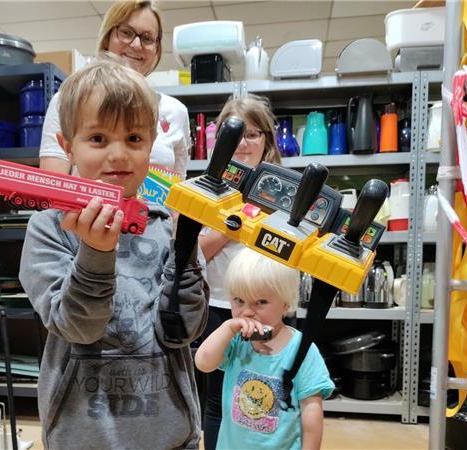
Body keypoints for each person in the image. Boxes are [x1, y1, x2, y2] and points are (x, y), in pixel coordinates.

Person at [19, 57, 208, 449]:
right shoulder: (49, 228)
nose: (119, 154)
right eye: (99, 139)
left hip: (171, 435)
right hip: (84, 436)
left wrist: (186, 248)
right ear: (67, 146)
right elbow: (77, 328)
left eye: (134, 139)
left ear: (151, 144)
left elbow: (183, 331)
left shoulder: (169, 227)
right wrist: (94, 254)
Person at [198, 94, 282, 449]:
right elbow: (194, 252)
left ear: (267, 140)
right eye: (234, 134)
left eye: (252, 134)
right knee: (217, 400)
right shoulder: (207, 187)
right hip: (217, 307)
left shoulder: (283, 190)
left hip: (269, 307)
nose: (244, 143)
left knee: (266, 395)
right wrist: (235, 224)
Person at [195, 249, 334, 450]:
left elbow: (311, 411)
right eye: (239, 300)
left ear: (285, 303)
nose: (248, 311)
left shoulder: (301, 350)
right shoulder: (235, 341)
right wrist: (227, 328)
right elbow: (203, 363)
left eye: (261, 302)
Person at [39, 0, 191, 178]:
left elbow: (178, 186)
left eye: (147, 38)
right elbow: (53, 185)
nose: (136, 44)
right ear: (107, 37)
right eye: (126, 32)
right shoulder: (69, 100)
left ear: (156, 48)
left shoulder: (176, 111)